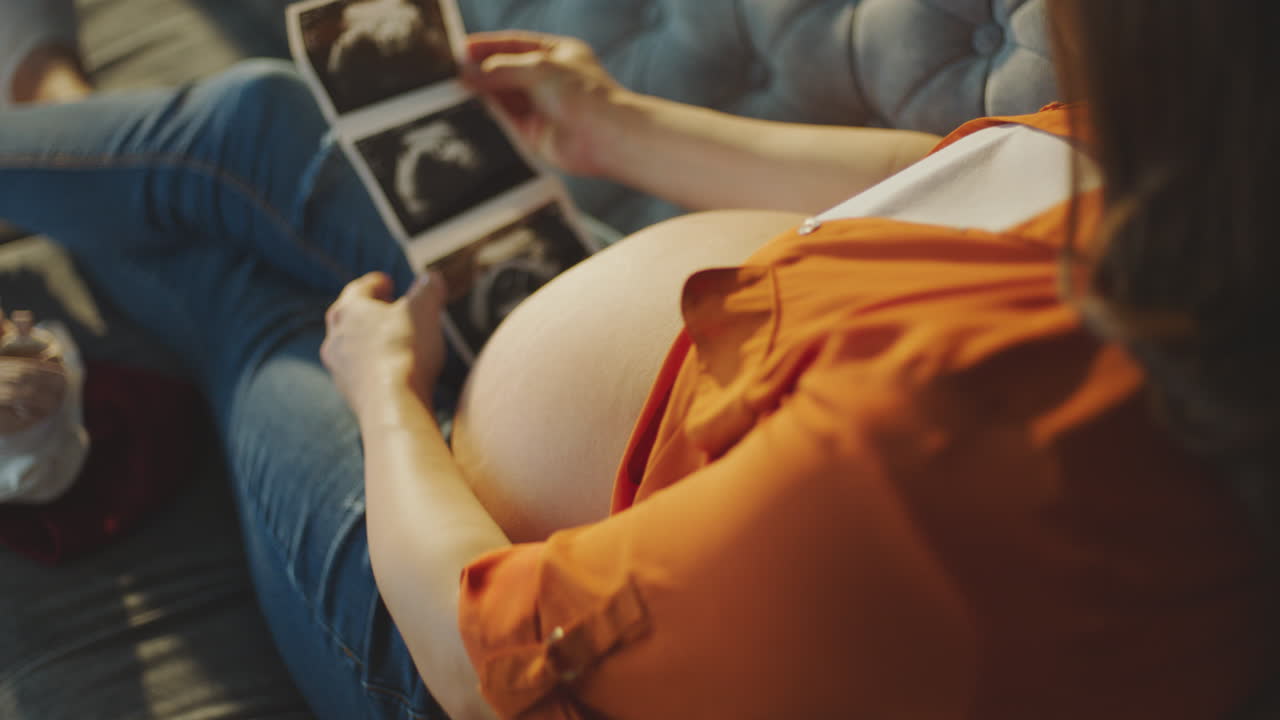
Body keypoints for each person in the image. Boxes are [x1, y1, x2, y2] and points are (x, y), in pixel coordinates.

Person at [0, 1, 1276, 719]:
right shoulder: (1211, 203)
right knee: (257, 122)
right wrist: (625, 132)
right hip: (632, 393)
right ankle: (46, 110)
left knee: (260, 299)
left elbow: (474, 646)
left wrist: (382, 391)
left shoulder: (931, 469)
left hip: (444, 637)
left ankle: (39, 109)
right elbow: (959, 180)